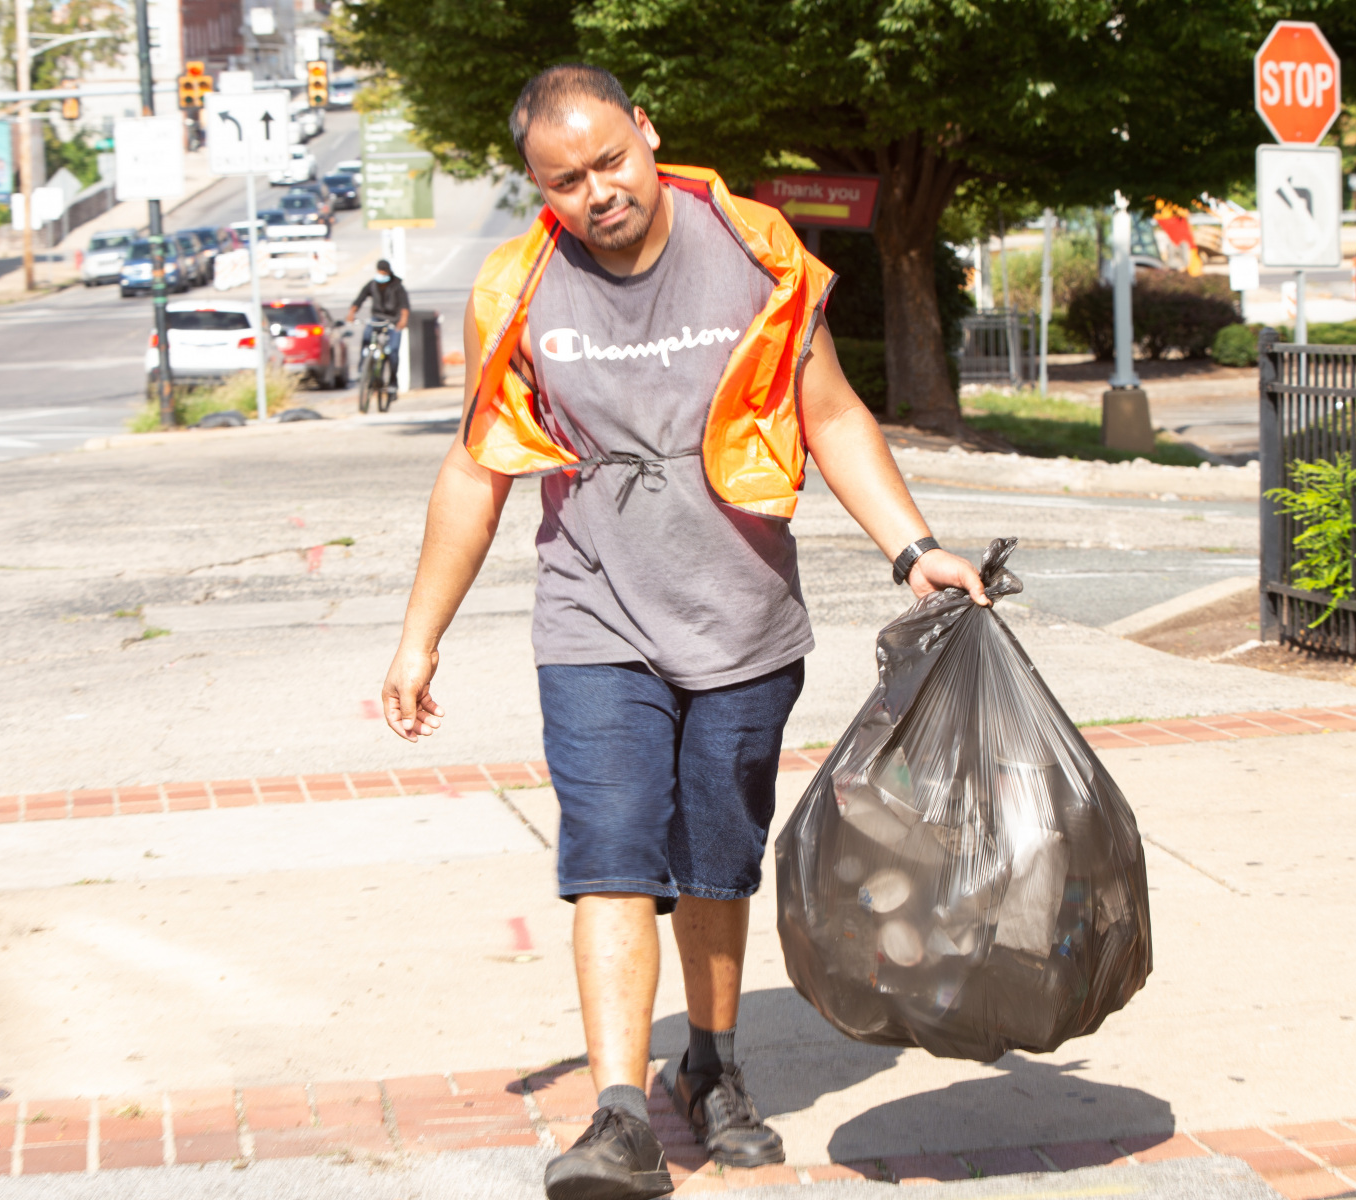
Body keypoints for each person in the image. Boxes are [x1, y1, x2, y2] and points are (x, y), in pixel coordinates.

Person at [379, 64, 987, 1200]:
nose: (597, 192)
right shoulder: (517, 288)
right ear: (538, 186)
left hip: (741, 612)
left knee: (716, 857)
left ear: (648, 133)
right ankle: (620, 1116)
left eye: (611, 160)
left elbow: (830, 413)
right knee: (609, 851)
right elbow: (476, 465)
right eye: (565, 180)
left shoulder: (755, 251)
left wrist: (914, 550)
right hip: (592, 609)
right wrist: (421, 636)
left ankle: (711, 1064)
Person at [346, 259, 411, 392]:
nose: (381, 275)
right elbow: (359, 299)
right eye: (379, 272)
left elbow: (405, 306)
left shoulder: (397, 286)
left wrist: (403, 320)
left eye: (383, 272)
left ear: (388, 272)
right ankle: (362, 370)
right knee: (366, 338)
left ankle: (393, 382)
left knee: (393, 351)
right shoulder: (372, 284)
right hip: (376, 319)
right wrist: (352, 313)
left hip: (393, 321)